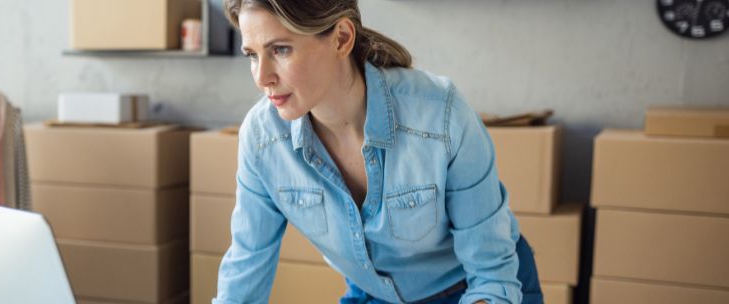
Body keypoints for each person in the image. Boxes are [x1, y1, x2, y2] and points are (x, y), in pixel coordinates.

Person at [213, 1, 543, 303]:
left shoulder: (440, 116)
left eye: (281, 50)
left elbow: (491, 276)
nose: (261, 77)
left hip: (476, 290)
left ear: (341, 38)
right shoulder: (262, 139)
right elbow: (246, 269)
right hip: (377, 294)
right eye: (252, 55)